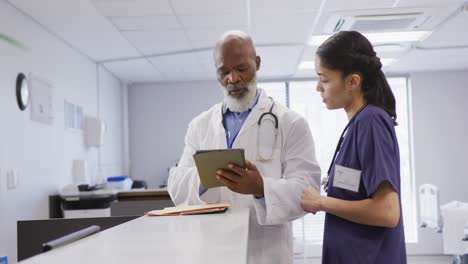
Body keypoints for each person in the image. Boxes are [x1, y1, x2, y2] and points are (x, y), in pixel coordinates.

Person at [168, 30, 321, 264]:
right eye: (224, 72)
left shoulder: (291, 123)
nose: (233, 79)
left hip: (266, 253)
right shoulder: (200, 126)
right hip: (212, 252)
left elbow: (308, 191)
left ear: (257, 63)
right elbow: (177, 186)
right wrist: (203, 177)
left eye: (241, 68)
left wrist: (261, 188)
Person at [300, 31, 407, 263]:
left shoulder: (371, 122)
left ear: (353, 81)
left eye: (325, 79)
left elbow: (387, 212)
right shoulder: (357, 125)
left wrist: (321, 202)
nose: (319, 87)